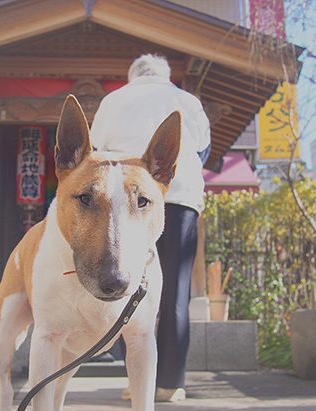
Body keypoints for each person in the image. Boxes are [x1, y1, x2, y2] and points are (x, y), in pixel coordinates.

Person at [89, 54, 211, 402]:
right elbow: (202, 151)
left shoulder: (113, 100)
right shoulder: (188, 101)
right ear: (166, 76)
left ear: (133, 76)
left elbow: (95, 153)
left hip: (128, 202)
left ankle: (136, 379)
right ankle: (169, 383)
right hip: (180, 197)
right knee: (175, 290)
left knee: (125, 284)